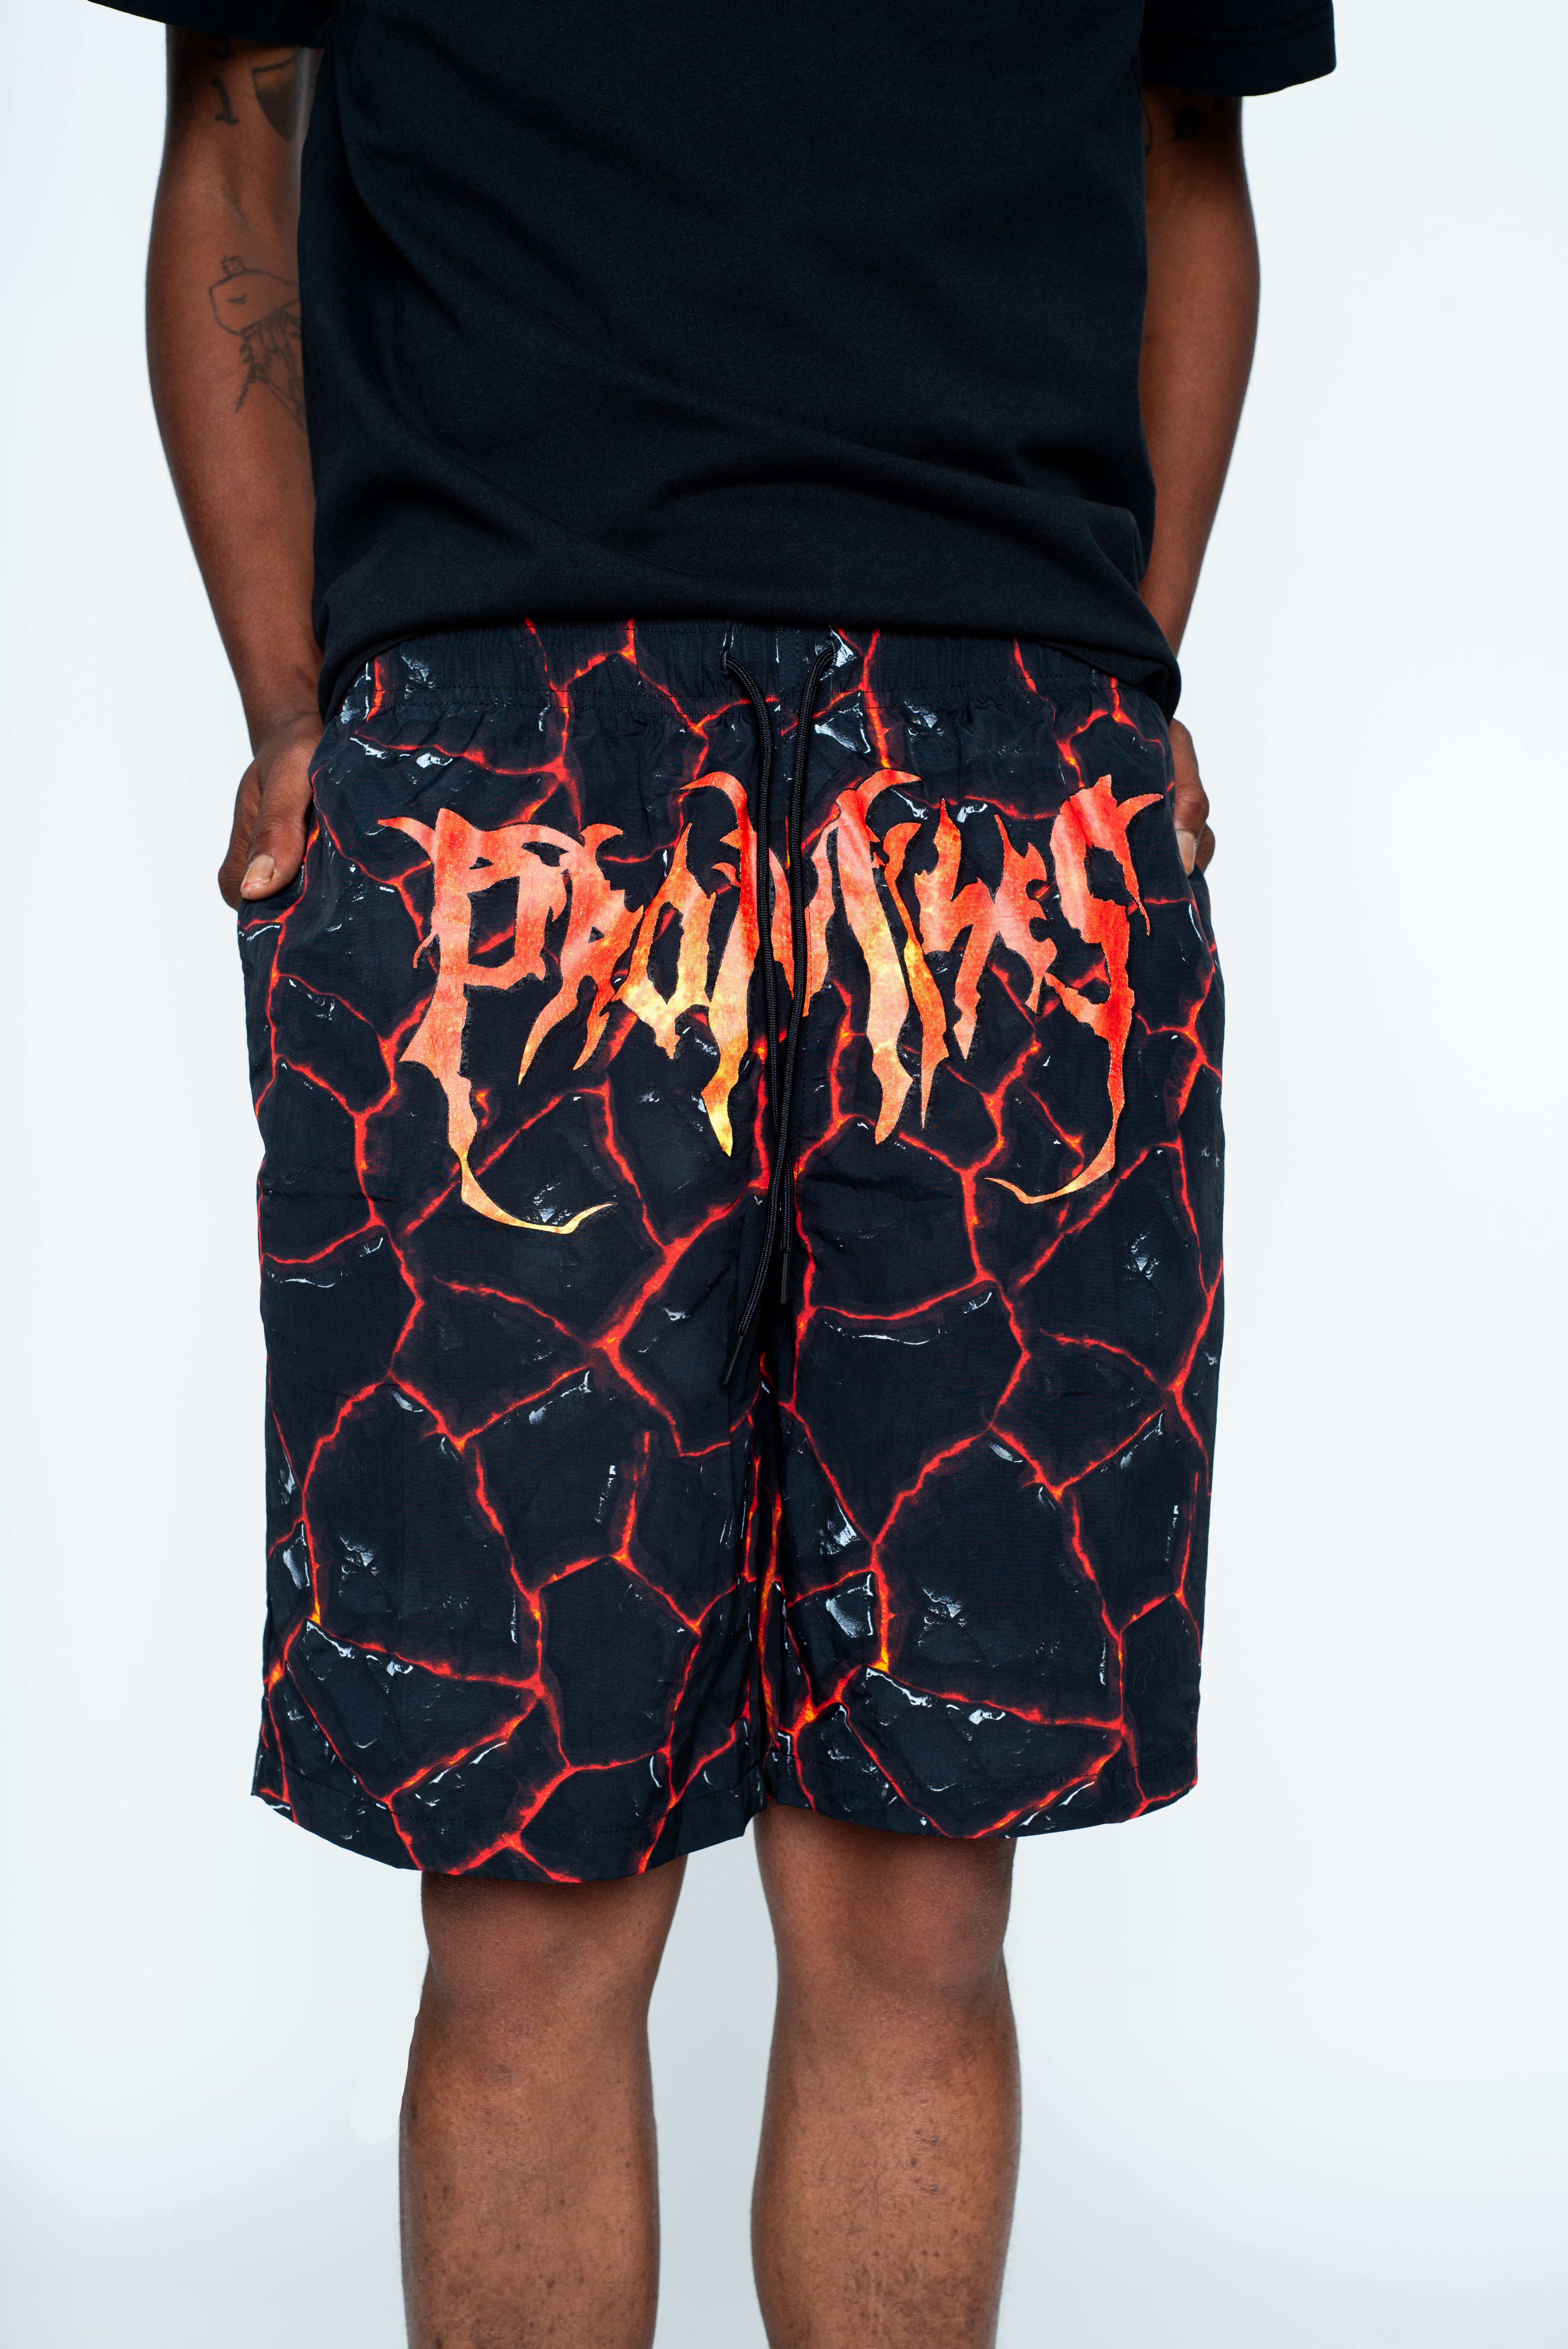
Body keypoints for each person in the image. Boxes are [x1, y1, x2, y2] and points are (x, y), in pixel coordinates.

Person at [98, 4, 1333, 2341]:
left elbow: (1190, 161)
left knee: (923, 1883)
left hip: (1000, 760)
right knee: (524, 1880)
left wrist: (1124, 680)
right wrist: (289, 709)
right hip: (511, 749)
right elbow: (233, 129)